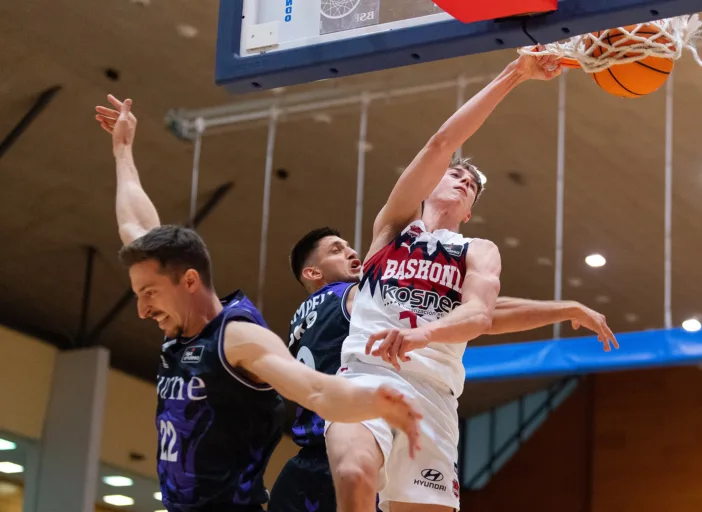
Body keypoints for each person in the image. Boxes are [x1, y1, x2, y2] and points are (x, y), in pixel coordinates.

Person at [322, 51, 619, 512]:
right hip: (368, 374)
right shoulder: (394, 228)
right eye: (455, 175)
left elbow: (481, 315)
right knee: (353, 473)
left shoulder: (477, 251)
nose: (463, 182)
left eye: (471, 187)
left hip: (434, 396)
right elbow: (440, 143)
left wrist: (421, 334)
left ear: (469, 212)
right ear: (431, 184)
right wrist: (514, 75)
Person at [94, 95, 422, 512]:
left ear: (189, 281)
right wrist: (123, 151)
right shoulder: (182, 316)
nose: (142, 310)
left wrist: (380, 402)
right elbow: (136, 227)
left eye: (149, 294)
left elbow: (317, 389)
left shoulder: (239, 338)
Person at [268, 227, 616, 512]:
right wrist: (562, 309)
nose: (348, 251)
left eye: (346, 246)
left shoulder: (302, 317)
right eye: (335, 250)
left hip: (302, 471)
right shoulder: (360, 295)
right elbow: (480, 313)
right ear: (312, 272)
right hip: (355, 458)